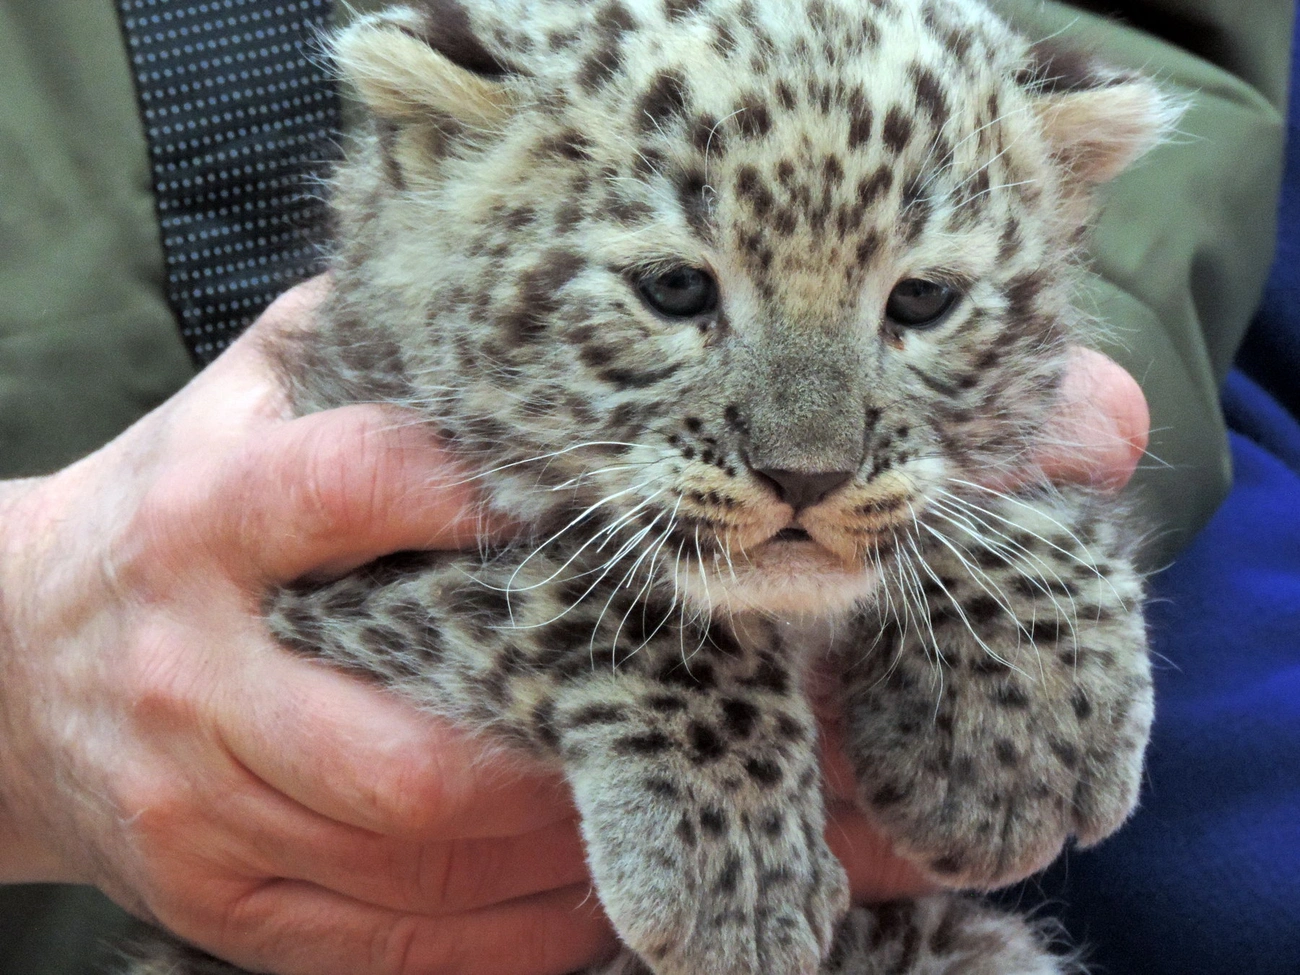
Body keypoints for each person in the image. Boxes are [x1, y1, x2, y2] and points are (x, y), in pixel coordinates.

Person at [0, 1, 1291, 974]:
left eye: (921, 300)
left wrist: (1022, 536)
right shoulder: (403, 321)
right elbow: (319, 608)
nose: (810, 449)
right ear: (437, 165)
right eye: (677, 290)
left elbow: (1142, 62)